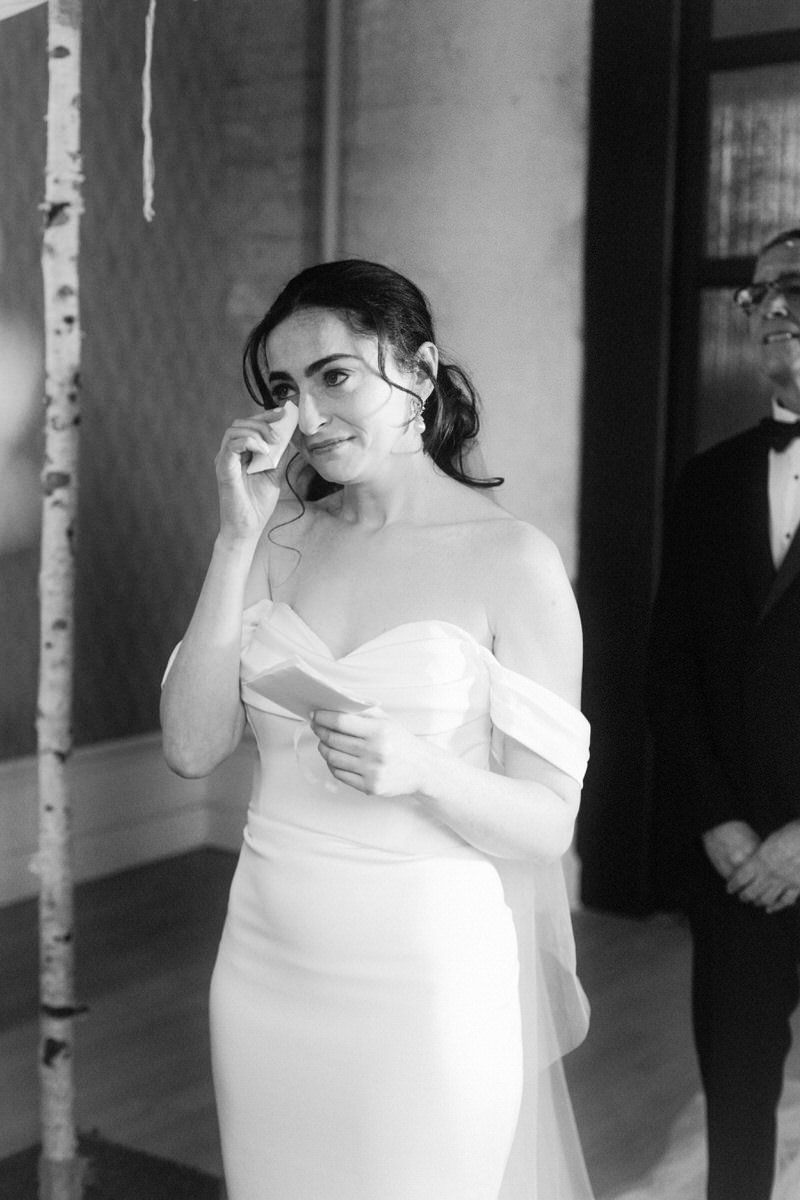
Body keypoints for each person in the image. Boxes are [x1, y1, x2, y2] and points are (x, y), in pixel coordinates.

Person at [160, 258, 593, 1200]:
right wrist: (235, 543)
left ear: (422, 373)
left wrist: (422, 771)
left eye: (335, 375)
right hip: (265, 969)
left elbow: (548, 823)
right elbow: (192, 748)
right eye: (285, 388)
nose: (307, 416)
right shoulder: (274, 542)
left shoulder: (512, 559)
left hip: (428, 988)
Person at [648, 229, 800, 1200]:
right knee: (735, 1097)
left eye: (792, 289)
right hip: (734, 859)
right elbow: (670, 668)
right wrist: (716, 820)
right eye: (757, 299)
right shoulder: (705, 482)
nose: (770, 315)